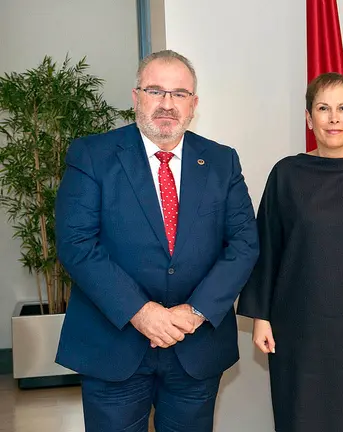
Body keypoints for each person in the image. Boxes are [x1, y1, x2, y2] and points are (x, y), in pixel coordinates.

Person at [54, 49, 260, 432]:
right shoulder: (92, 155)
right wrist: (142, 312)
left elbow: (244, 243)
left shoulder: (221, 161)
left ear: (194, 103)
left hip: (195, 347)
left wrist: (195, 312)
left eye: (179, 93)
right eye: (155, 91)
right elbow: (76, 242)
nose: (167, 103)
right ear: (136, 97)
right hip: (113, 344)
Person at [236, 72, 343, 432]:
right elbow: (266, 246)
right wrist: (261, 316)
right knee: (299, 415)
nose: (334, 118)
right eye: (323, 108)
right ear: (308, 117)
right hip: (295, 327)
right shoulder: (286, 174)